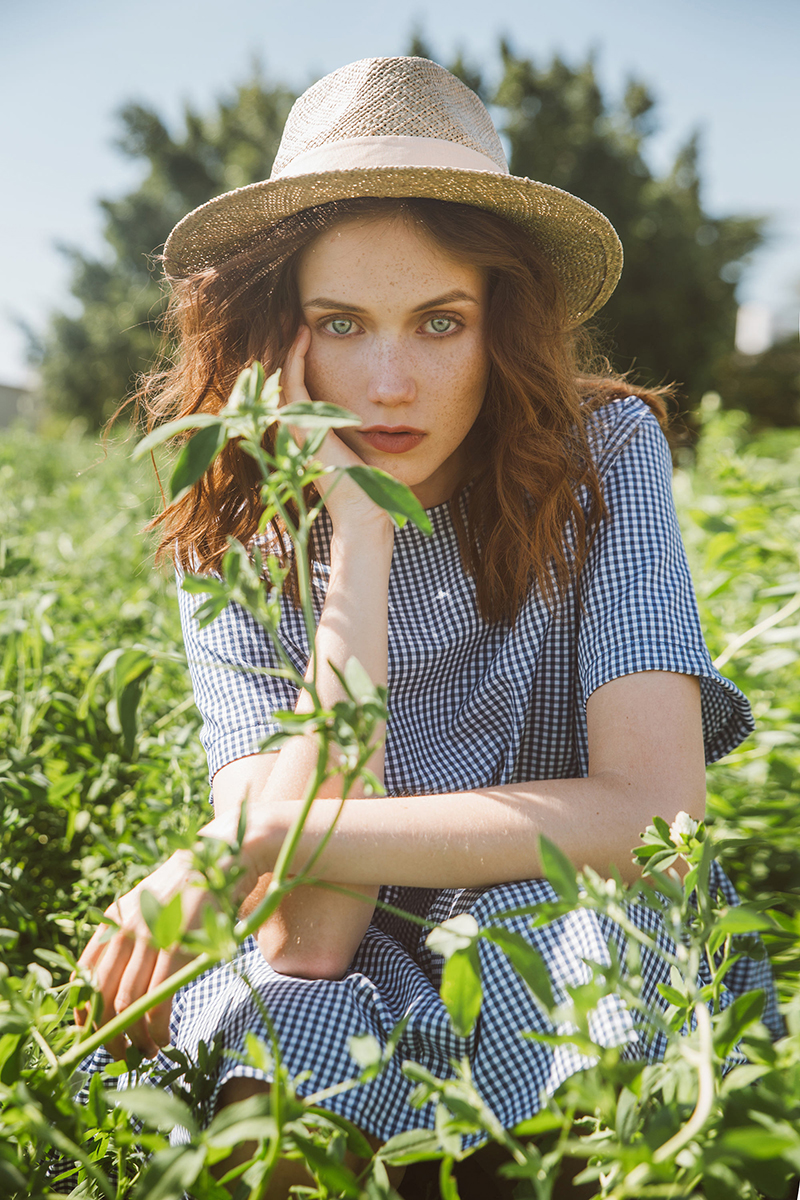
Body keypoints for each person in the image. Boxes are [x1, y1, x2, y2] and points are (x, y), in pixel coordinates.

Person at [76, 55, 780, 1193]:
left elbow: (651, 816)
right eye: (341, 324)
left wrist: (257, 838)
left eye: (439, 323)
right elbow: (305, 941)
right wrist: (357, 540)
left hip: (562, 930)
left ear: (499, 322)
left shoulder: (600, 459)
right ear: (275, 338)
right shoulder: (235, 532)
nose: (389, 383)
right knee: (273, 1050)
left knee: (594, 998)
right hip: (351, 959)